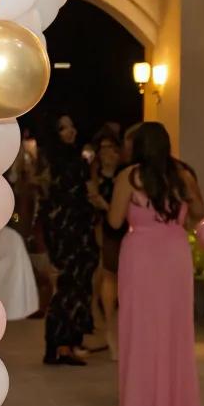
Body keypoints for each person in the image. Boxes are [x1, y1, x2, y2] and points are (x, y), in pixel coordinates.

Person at [108, 123, 204, 406]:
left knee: (140, 329)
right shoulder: (183, 175)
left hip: (140, 255)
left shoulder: (129, 176)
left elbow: (113, 220)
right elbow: (200, 214)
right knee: (175, 328)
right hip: (175, 254)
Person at [40, 113, 97, 366]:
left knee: (76, 288)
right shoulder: (58, 161)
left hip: (78, 231)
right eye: (64, 128)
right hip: (67, 232)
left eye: (72, 126)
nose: (70, 131)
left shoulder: (73, 157)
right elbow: (59, 200)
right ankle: (61, 346)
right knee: (68, 288)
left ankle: (66, 344)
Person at [87, 129, 123, 359]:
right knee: (104, 276)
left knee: (116, 278)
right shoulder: (94, 175)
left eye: (111, 148)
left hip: (123, 229)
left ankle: (115, 327)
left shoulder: (125, 175)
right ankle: (108, 326)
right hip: (102, 230)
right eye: (103, 149)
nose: (107, 153)